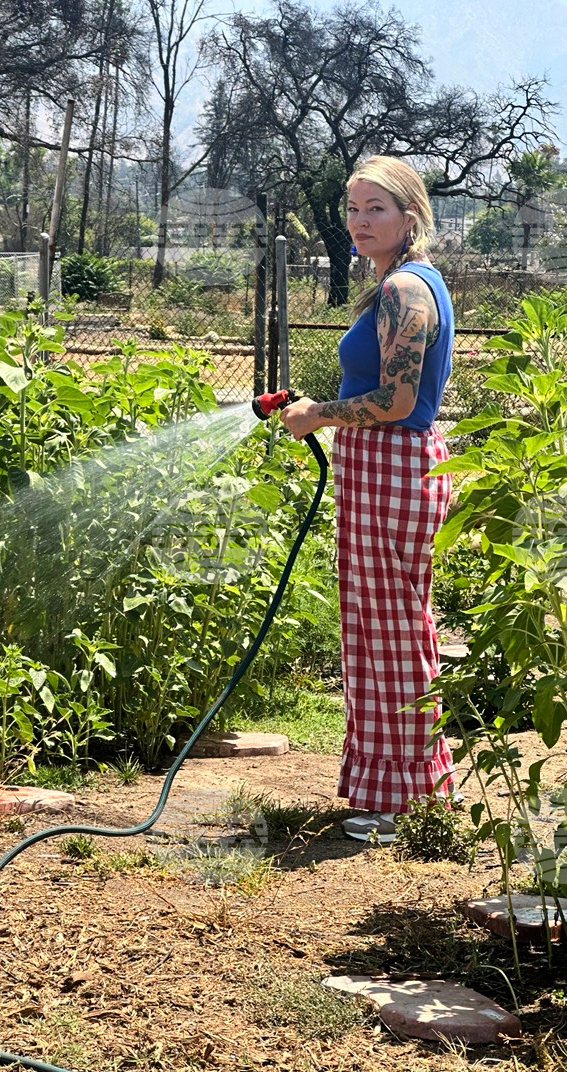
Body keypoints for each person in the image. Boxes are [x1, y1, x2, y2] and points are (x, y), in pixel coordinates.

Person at [279, 155, 455, 844]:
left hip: (392, 467)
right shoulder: (403, 284)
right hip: (385, 467)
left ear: (409, 215)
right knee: (384, 630)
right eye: (352, 208)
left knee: (391, 633)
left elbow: (399, 400)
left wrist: (318, 413)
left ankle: (403, 802)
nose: (359, 221)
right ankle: (404, 792)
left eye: (375, 208)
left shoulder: (405, 292)